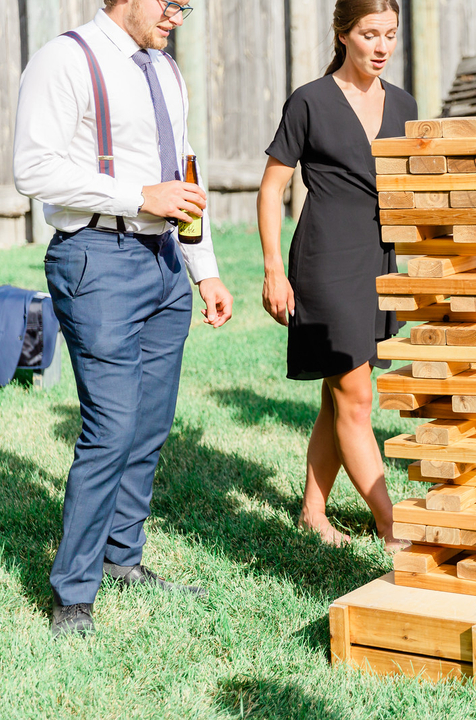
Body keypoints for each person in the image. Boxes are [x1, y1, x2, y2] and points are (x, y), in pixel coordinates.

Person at [13, 0, 234, 638]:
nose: (178, 16)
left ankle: (121, 557)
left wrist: (204, 267)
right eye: (170, 3)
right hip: (96, 258)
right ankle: (72, 594)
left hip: (165, 261)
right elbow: (33, 168)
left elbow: (183, 167)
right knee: (111, 428)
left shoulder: (164, 68)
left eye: (186, 6)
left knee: (150, 425)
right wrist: (137, 196)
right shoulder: (65, 58)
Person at [257, 0, 415, 548]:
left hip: (379, 263)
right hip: (324, 263)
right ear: (343, 34)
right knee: (356, 397)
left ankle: (313, 511)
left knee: (339, 393)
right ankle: (391, 524)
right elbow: (271, 188)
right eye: (370, 34)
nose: (382, 46)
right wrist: (273, 270)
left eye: (390, 34)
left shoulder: (404, 104)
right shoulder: (310, 101)